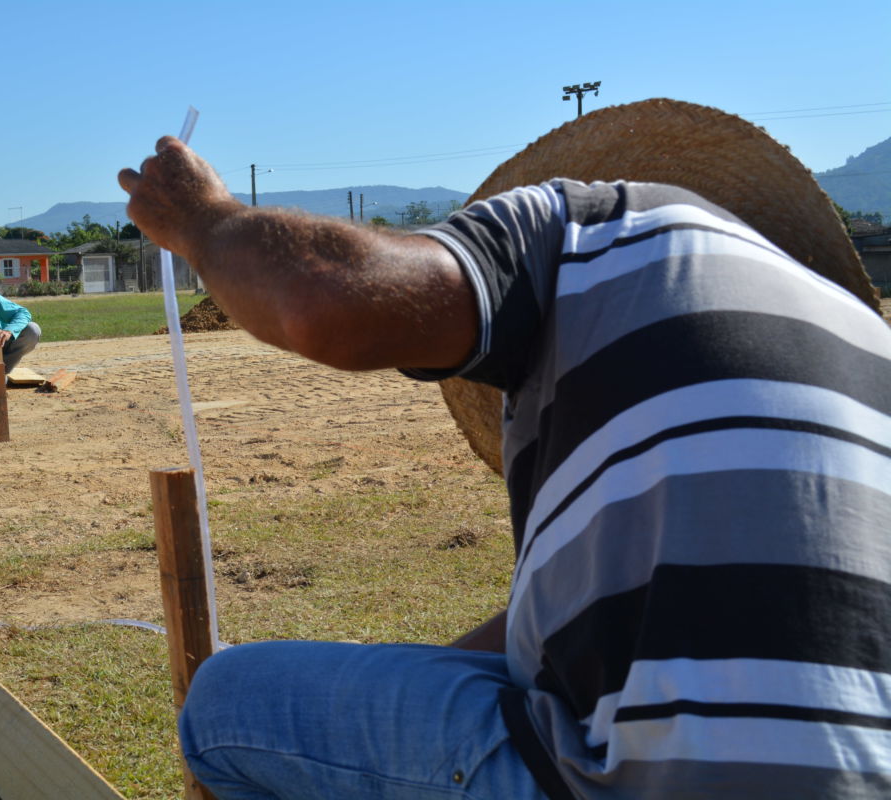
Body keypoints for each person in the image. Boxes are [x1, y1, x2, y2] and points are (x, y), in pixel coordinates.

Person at [119, 99, 891, 799]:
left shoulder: (592, 225)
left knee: (225, 706)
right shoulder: (866, 354)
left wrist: (201, 218)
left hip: (639, 783)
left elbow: (325, 301)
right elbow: (549, 635)